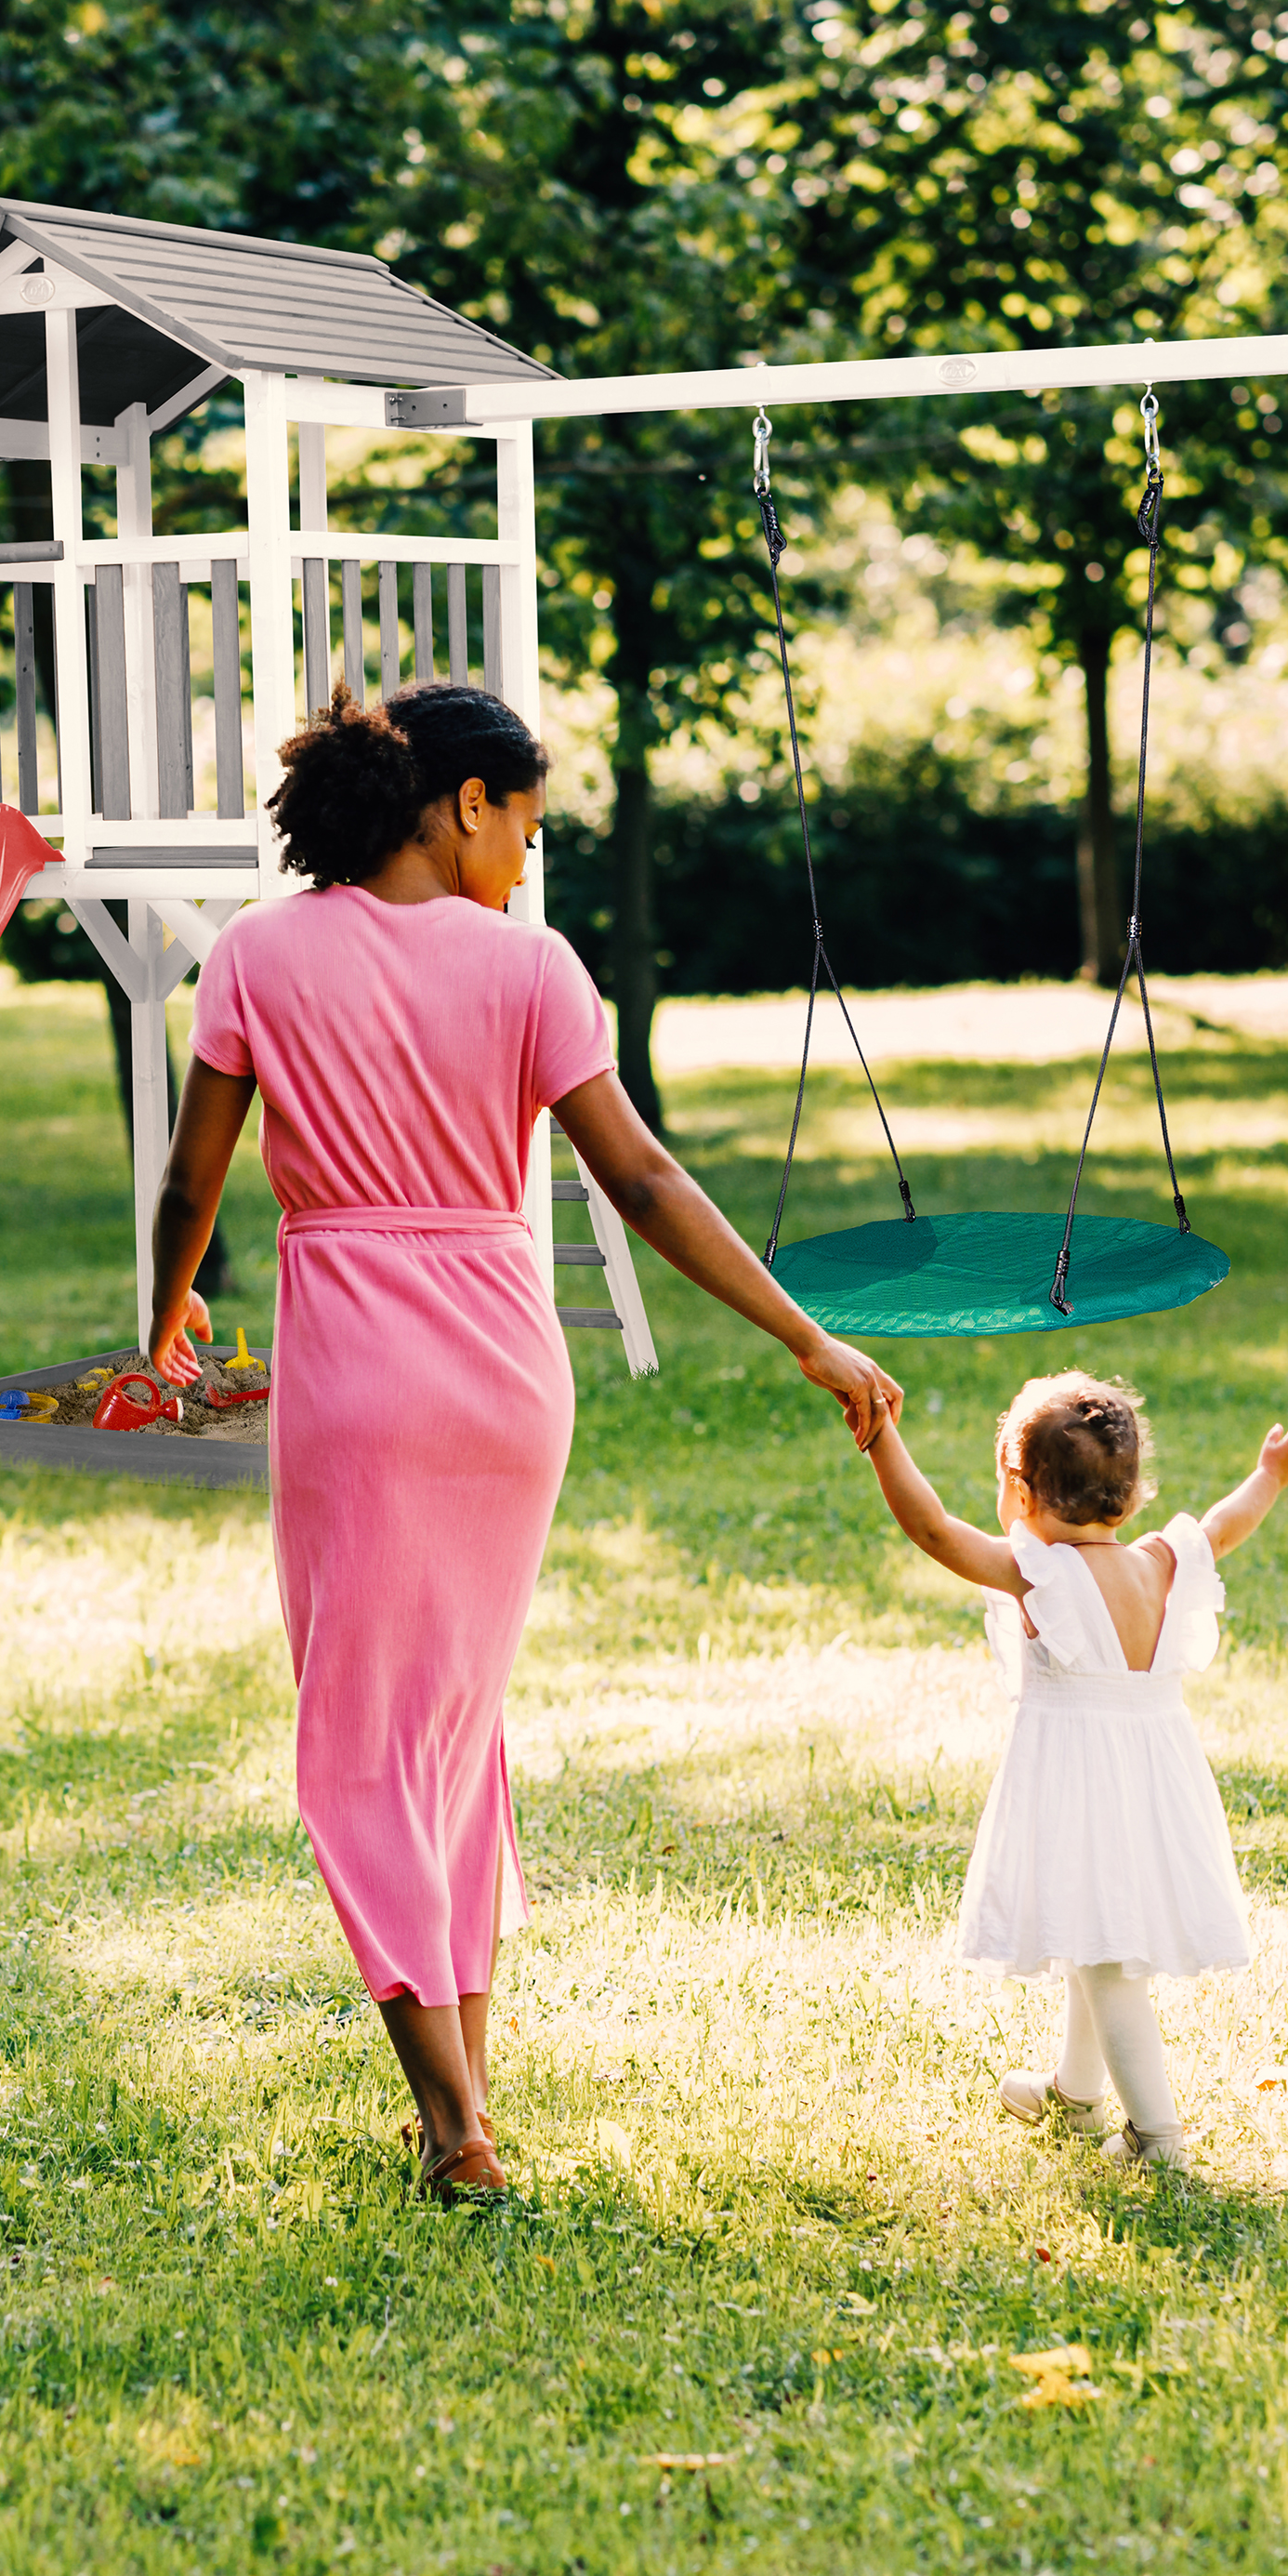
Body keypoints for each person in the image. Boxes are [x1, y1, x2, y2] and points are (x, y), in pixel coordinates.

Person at [146, 682, 903, 2202]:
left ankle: (454, 2128)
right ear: (465, 804)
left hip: (358, 1376)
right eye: (527, 829)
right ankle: (467, 2099)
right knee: (452, 1731)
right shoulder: (532, 968)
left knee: (363, 1747)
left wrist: (163, 1319)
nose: (526, 861)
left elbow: (191, 1181)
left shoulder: (256, 956)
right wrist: (804, 1333)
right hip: (506, 1376)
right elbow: (644, 1181)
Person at [858, 1372, 1288, 2169]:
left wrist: (880, 1437)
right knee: (1090, 1932)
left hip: (1081, 1790)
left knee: (1106, 1963)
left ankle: (1156, 2137)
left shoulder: (1040, 1574)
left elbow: (931, 1528)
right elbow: (1224, 1524)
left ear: (1021, 1491)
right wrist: (1270, 1475)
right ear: (1129, 1496)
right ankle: (1074, 2094)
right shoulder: (1161, 1562)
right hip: (1154, 1787)